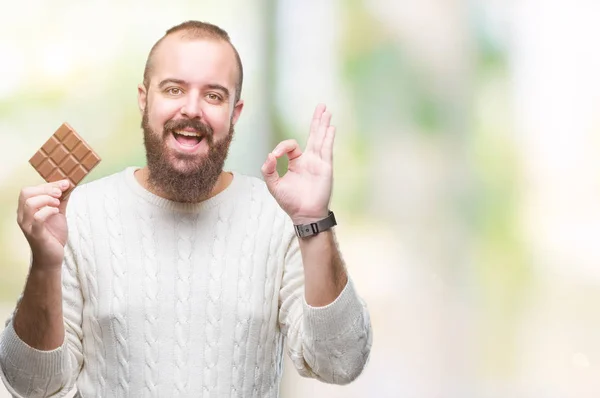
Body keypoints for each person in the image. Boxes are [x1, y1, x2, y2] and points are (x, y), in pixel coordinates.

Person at [0, 20, 372, 397]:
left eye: (213, 95)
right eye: (174, 89)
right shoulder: (81, 213)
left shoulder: (278, 217)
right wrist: (45, 265)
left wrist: (313, 222)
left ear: (235, 112)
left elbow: (339, 362)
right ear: (145, 99)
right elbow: (30, 386)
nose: (191, 109)